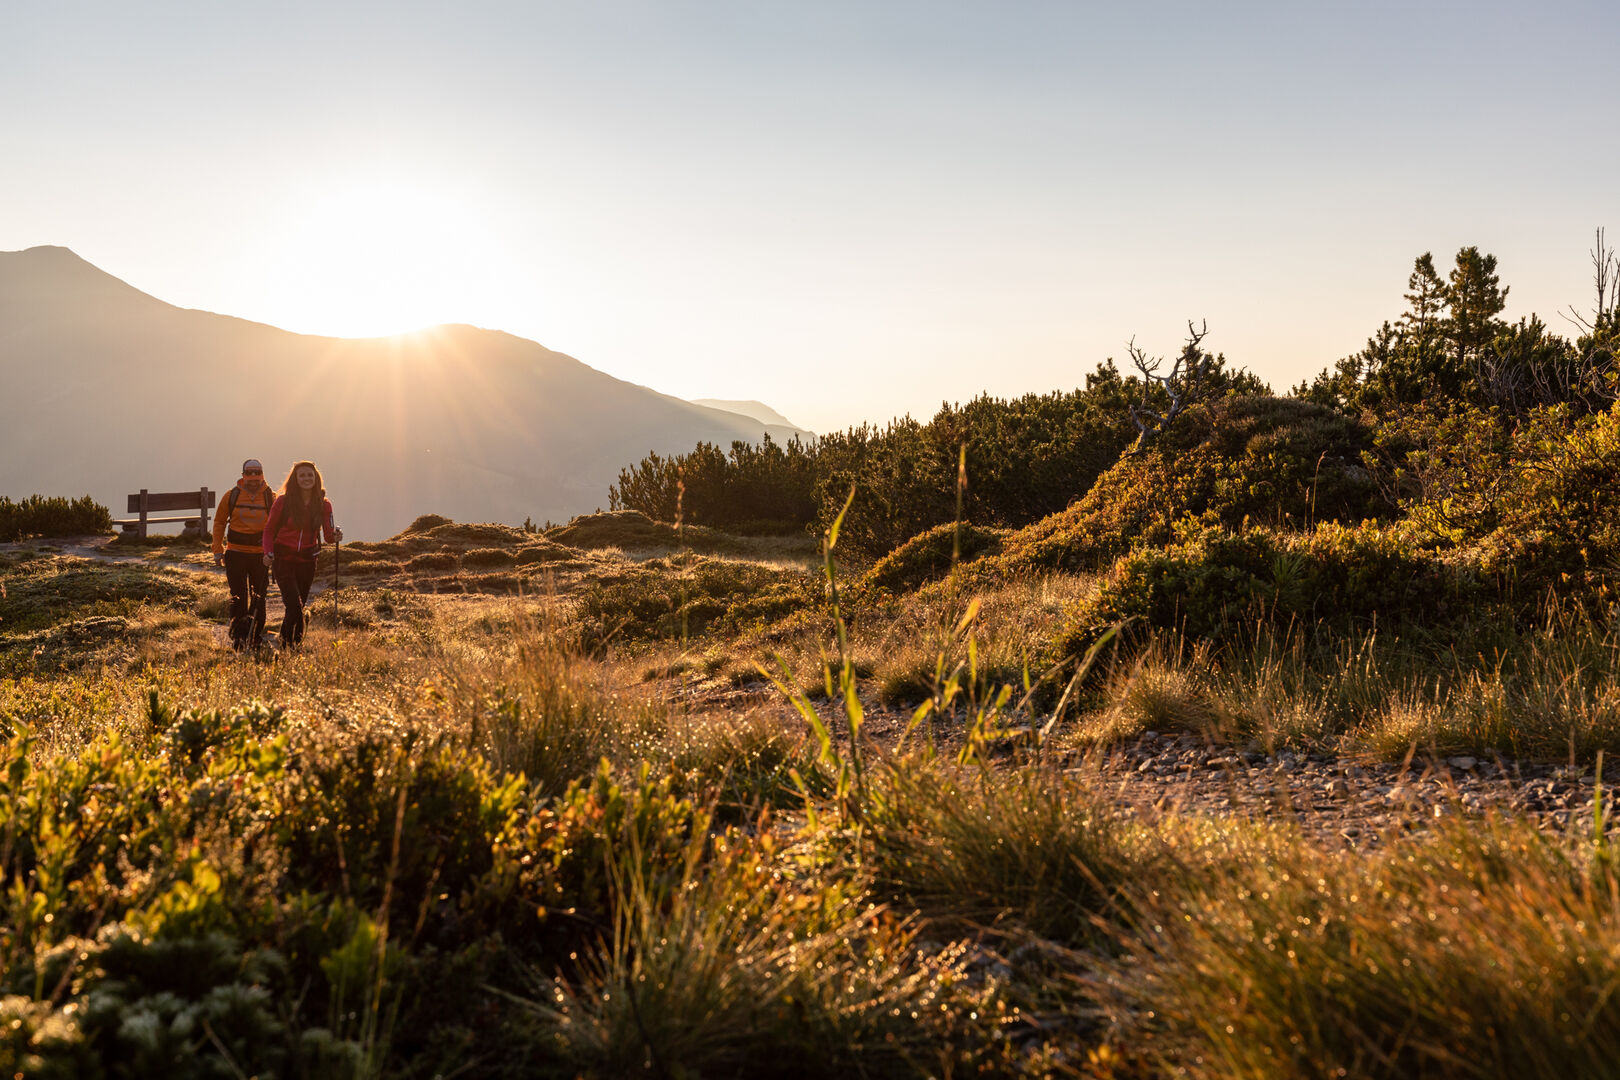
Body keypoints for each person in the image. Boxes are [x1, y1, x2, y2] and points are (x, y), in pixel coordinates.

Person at [263, 460, 341, 648]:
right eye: (302, 475)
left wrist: (337, 535)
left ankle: (284, 643)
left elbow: (329, 537)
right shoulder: (283, 501)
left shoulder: (324, 505)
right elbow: (269, 530)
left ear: (316, 479)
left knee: (297, 607)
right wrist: (268, 553)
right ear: (295, 479)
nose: (306, 479)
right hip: (282, 559)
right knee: (295, 607)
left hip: (307, 561)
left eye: (310, 475)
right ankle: (292, 646)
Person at [210, 458, 275, 650]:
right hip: (235, 553)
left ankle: (254, 636)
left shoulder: (272, 498)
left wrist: (274, 553)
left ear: (262, 474)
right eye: (250, 473)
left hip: (260, 556)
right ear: (243, 475)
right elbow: (219, 522)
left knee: (259, 597)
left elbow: (278, 526)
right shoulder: (231, 496)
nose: (253, 477)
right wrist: (217, 550)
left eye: (257, 473)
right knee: (238, 596)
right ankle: (238, 636)